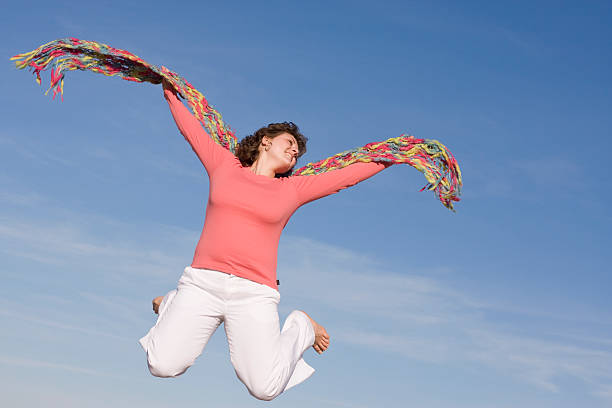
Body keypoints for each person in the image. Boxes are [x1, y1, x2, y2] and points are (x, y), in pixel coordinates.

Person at [139, 80, 389, 401]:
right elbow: (192, 130)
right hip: (202, 282)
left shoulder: (292, 189)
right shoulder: (224, 166)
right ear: (264, 142)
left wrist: (397, 156)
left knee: (264, 387)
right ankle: (172, 302)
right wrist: (169, 90)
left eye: (298, 151)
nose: (295, 150)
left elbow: (346, 177)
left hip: (254, 293)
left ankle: (302, 326)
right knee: (162, 364)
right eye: (289, 142)